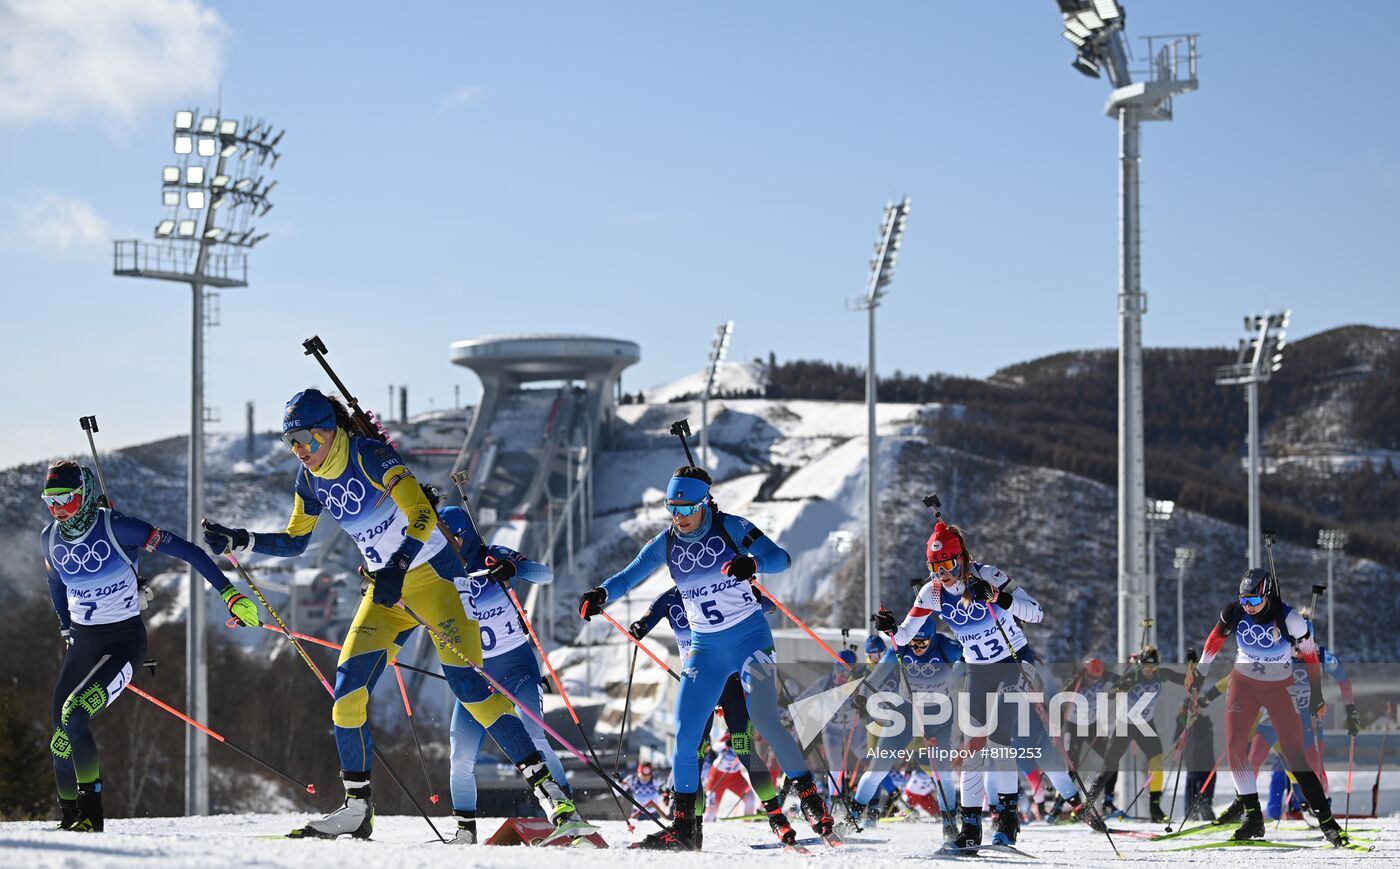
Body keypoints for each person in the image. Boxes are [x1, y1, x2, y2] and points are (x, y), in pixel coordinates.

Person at [203, 389, 579, 840]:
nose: (300, 450)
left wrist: (398, 564)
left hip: (434, 577)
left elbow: (420, 511)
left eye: (304, 438)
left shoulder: (368, 455)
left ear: (329, 429)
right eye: (291, 442)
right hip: (388, 589)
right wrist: (240, 540)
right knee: (347, 693)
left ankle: (551, 796)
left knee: (470, 689)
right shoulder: (309, 481)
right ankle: (357, 809)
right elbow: (296, 541)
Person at [579, 465, 835, 851]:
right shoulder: (665, 542)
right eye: (672, 509)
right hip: (705, 647)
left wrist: (753, 563)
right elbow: (629, 576)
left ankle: (811, 799)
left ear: (704, 504)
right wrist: (600, 594)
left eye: (686, 509)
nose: (679, 518)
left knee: (764, 718)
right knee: (685, 733)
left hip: (750, 638)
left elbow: (780, 558)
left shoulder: (732, 528)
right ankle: (684, 829)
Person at [41, 461, 260, 832]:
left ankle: (91, 817)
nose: (58, 508)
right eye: (50, 500)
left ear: (87, 494)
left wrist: (228, 593)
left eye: (67, 498)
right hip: (83, 642)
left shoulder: (117, 526)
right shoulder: (49, 537)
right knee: (60, 740)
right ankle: (69, 819)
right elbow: (56, 583)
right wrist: (65, 627)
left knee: (75, 714)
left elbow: (189, 551)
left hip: (123, 643)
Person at [876, 520, 1044, 853]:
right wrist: (890, 628)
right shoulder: (932, 592)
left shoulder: (987, 575)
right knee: (974, 746)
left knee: (999, 738)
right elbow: (905, 636)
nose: (943, 574)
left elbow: (1036, 613)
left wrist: (998, 598)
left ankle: (1007, 818)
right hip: (978, 670)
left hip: (1015, 662)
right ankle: (970, 825)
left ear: (962, 558)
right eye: (935, 568)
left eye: (948, 565)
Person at [1183, 567, 1350, 847]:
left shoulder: (1290, 619)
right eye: (1243, 600)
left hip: (1277, 689)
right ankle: (1252, 817)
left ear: (1268, 595)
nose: (1247, 606)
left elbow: (1310, 658)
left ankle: (1327, 822)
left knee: (1295, 757)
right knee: (1236, 748)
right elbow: (1214, 641)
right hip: (1243, 684)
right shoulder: (1234, 612)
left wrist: (1317, 696)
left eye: (1253, 601)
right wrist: (1199, 675)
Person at [436, 505, 573, 845]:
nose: (447, 543)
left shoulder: (491, 557)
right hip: (475, 681)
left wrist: (514, 567)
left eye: (452, 536)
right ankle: (465, 831)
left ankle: (568, 812)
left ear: (466, 534)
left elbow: (544, 574)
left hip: (517, 670)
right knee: (461, 755)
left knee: (534, 736)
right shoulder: (437, 573)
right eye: (441, 537)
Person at [629, 583, 798, 845]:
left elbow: (769, 606)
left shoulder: (719, 589)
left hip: (730, 684)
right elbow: (647, 619)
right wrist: (639, 627)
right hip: (699, 686)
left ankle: (778, 819)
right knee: (693, 759)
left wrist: (753, 596)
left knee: (745, 751)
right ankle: (692, 831)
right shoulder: (669, 598)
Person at [846, 621, 964, 844]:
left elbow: (963, 661)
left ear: (932, 638)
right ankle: (852, 817)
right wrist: (862, 693)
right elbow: (877, 676)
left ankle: (950, 825)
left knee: (941, 773)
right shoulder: (900, 647)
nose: (917, 647)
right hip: (905, 713)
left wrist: (955, 673)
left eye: (922, 642)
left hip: (939, 715)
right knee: (878, 767)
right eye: (913, 642)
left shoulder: (944, 645)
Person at [1090, 646, 1183, 822]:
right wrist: (1120, 688)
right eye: (1146, 668)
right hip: (1125, 724)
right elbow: (1109, 695)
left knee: (1157, 760)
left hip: (1145, 725)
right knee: (1109, 766)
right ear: (1140, 666)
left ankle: (1155, 808)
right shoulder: (1133, 676)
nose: (1150, 672)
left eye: (1153, 668)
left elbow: (1188, 680)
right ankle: (1089, 804)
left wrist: (1193, 668)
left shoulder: (1163, 674)